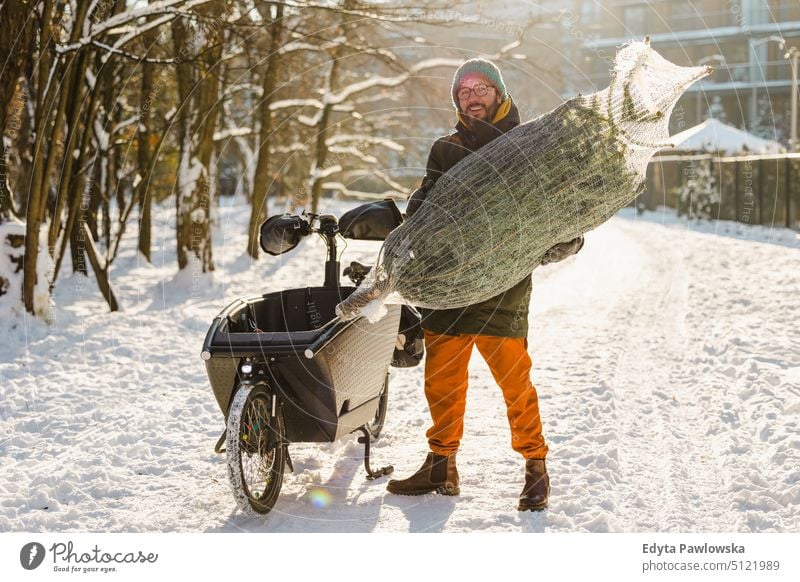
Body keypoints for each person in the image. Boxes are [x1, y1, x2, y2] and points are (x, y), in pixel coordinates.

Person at [386, 58, 584, 511]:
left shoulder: (528, 145)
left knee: (515, 384)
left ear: (498, 93)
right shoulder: (445, 149)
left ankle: (535, 467)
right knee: (441, 382)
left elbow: (560, 205)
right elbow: (424, 205)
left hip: (503, 287)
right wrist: (400, 238)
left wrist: (565, 238)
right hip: (450, 285)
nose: (471, 97)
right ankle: (442, 465)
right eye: (463, 92)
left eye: (480, 88)